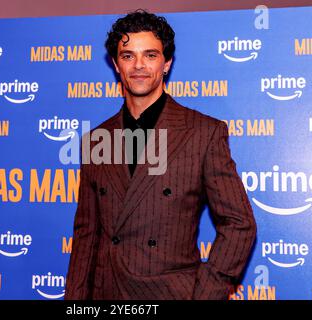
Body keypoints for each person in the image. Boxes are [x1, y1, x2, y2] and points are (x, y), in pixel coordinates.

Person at [64, 9, 257, 300]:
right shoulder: (96, 140)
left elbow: (239, 225)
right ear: (116, 65)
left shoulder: (202, 133)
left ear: (166, 63)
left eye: (150, 55)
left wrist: (205, 293)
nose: (139, 65)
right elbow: (86, 236)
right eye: (128, 56)